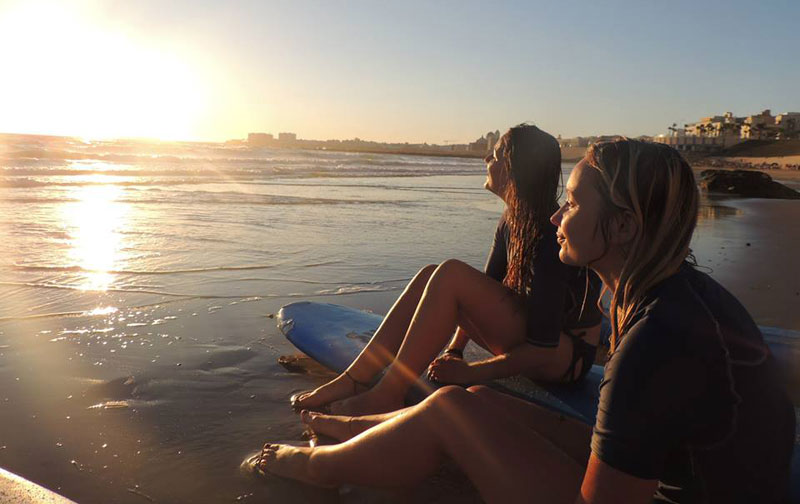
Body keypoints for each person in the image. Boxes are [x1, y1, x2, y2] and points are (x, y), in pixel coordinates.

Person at [259, 139, 795, 503]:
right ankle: (359, 427)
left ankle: (314, 469)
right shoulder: (680, 294)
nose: (557, 216)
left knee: (451, 410)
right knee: (475, 401)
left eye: (574, 204)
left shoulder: (656, 339)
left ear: (625, 226)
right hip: (689, 475)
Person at [291, 124, 602, 416]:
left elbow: (543, 349)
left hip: (564, 361)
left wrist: (471, 373)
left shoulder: (548, 234)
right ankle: (353, 379)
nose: (486, 159)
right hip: (532, 342)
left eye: (494, 155)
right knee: (432, 274)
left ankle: (389, 392)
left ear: (512, 169)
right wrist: (455, 350)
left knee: (451, 274)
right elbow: (484, 290)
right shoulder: (513, 220)